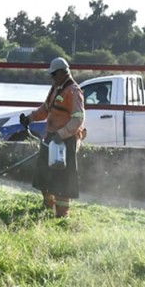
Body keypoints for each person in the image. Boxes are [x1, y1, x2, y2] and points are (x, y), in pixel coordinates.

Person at [20, 57, 85, 218]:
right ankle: (48, 207)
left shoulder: (74, 92)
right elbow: (45, 108)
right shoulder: (56, 88)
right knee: (44, 175)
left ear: (64, 72)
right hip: (51, 138)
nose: (52, 77)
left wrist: (61, 135)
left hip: (65, 141)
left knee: (63, 180)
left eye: (54, 74)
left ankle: (62, 214)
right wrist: (30, 118)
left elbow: (78, 119)